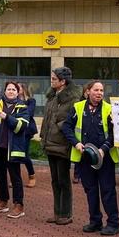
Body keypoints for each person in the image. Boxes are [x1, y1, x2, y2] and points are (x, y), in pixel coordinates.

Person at [62, 80, 119, 235]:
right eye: (96, 90)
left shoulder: (109, 109)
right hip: (85, 157)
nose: (99, 93)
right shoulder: (78, 107)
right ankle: (95, 221)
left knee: (107, 190)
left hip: (105, 158)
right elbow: (66, 127)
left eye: (101, 90)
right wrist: (76, 143)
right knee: (91, 190)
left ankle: (113, 223)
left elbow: (116, 134)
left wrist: (104, 149)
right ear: (88, 91)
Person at [40, 67, 80, 225]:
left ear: (63, 81)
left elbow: (71, 121)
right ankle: (57, 213)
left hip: (62, 144)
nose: (51, 81)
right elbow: (48, 118)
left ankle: (66, 213)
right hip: (50, 143)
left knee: (63, 180)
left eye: (54, 79)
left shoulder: (73, 99)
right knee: (55, 180)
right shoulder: (52, 97)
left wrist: (58, 126)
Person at [0, 82, 30, 219]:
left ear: (18, 92)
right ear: (4, 91)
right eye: (8, 89)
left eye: (13, 89)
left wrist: (7, 117)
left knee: (15, 177)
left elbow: (22, 126)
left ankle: (18, 205)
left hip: (13, 148)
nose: (10, 91)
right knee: (0, 176)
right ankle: (3, 201)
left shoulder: (23, 107)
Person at [17, 82, 37, 188]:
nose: (15, 90)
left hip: (26, 131)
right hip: (15, 130)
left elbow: (29, 113)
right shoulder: (13, 101)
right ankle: (16, 178)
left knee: (24, 155)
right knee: (14, 156)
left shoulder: (30, 101)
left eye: (18, 88)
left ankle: (32, 176)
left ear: (23, 89)